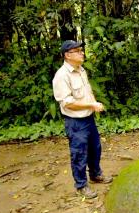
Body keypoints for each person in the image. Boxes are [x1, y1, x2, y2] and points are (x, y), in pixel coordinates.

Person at [52, 40, 113, 199]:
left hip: (88, 118)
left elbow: (87, 91)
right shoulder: (61, 76)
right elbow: (68, 103)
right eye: (77, 51)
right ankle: (81, 185)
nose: (82, 53)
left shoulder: (81, 70)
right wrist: (91, 105)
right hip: (75, 122)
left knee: (95, 148)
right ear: (67, 55)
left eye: (81, 50)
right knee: (79, 153)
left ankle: (95, 174)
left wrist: (92, 105)